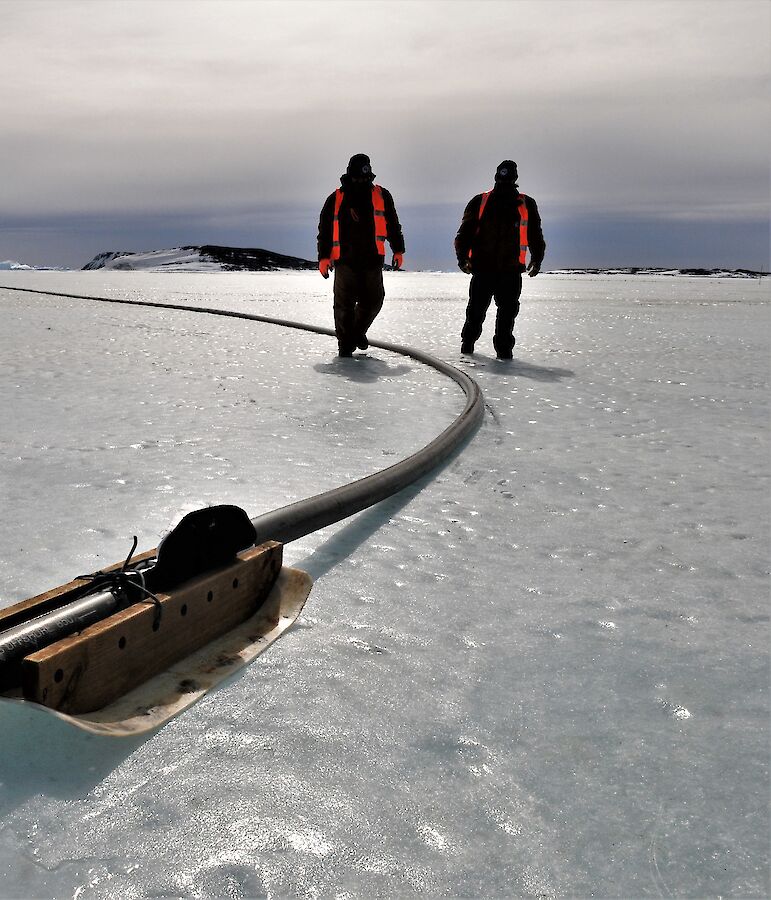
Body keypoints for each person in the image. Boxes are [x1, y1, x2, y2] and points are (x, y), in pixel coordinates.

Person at [454, 160, 545, 359]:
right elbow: (465, 233)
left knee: (507, 314)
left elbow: (534, 234)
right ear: (497, 177)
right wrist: (462, 258)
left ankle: (504, 352)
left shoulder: (526, 204)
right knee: (476, 312)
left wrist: (537, 258)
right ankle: (467, 346)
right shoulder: (480, 201)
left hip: (510, 271)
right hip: (483, 269)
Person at [317, 154, 405, 357]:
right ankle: (345, 347)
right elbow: (325, 230)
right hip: (345, 260)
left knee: (374, 300)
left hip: (372, 259)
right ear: (350, 174)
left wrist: (398, 249)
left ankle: (356, 333)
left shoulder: (382, 195)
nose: (362, 181)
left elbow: (393, 224)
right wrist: (323, 257)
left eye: (365, 177)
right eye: (358, 177)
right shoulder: (336, 198)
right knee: (343, 305)